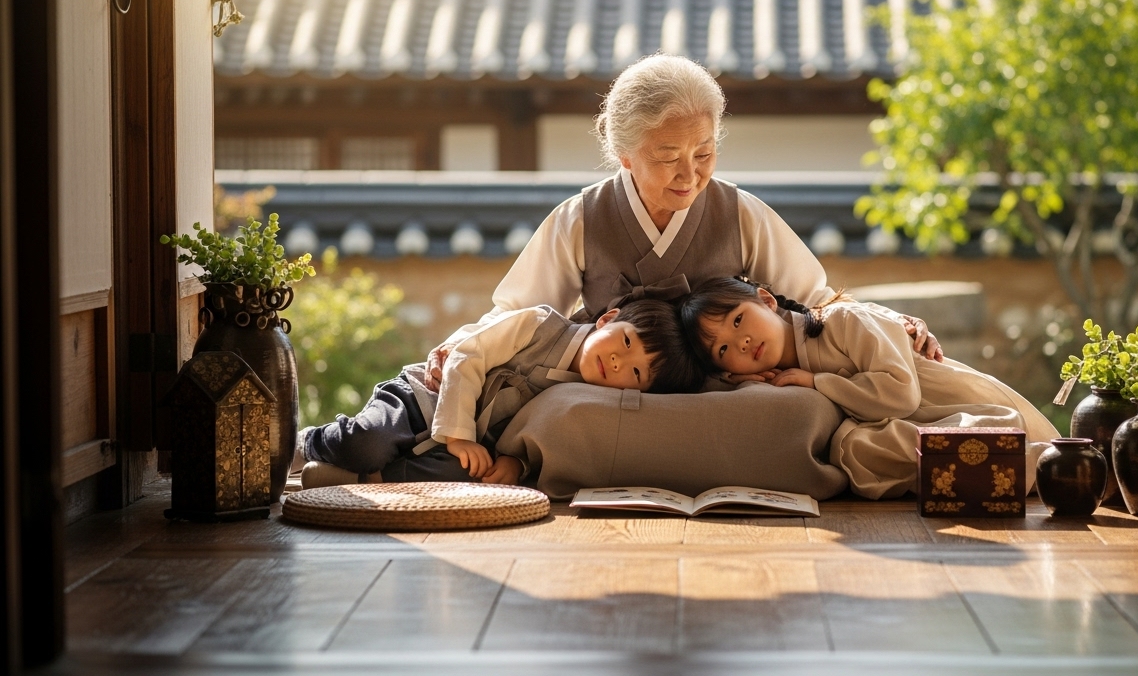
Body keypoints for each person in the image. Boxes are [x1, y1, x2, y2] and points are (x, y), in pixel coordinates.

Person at [424, 54, 939, 392]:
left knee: (794, 410)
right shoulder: (583, 216)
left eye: (705, 153)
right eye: (668, 156)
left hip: (723, 389)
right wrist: (461, 344)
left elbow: (816, 301)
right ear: (625, 154)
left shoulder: (739, 211)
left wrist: (889, 321)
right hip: (614, 388)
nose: (690, 175)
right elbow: (519, 313)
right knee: (560, 412)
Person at [677, 277, 1061, 499]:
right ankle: (987, 471)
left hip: (951, 403)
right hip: (910, 423)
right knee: (852, 447)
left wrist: (818, 382)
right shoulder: (783, 373)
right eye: (723, 350)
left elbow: (901, 393)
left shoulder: (843, 320)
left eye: (738, 320)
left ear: (766, 300)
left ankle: (1030, 459)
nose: (742, 342)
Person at [297, 298, 704, 489]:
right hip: (424, 398)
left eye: (636, 373)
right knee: (369, 440)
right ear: (608, 319)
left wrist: (516, 463)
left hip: (468, 446)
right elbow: (467, 356)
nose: (617, 362)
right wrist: (459, 434)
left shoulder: (585, 398)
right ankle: (305, 444)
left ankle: (360, 480)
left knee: (464, 478)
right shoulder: (539, 324)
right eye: (627, 342)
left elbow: (546, 438)